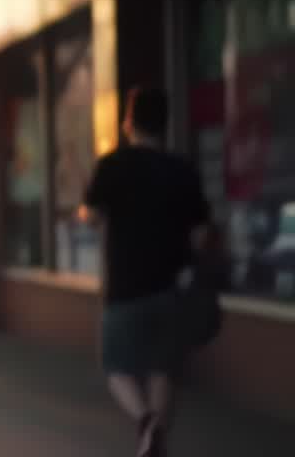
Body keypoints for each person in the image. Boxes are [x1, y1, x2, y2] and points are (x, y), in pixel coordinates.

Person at [82, 86, 211, 457]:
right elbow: (201, 234)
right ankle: (155, 441)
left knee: (116, 367)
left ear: (129, 122)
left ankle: (145, 421)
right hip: (170, 288)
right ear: (165, 123)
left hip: (123, 287)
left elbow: (91, 215)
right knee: (161, 369)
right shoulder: (182, 170)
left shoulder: (112, 166)